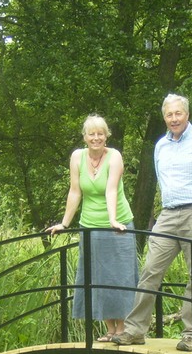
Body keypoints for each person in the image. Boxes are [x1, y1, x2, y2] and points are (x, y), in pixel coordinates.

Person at [112, 94, 192, 351]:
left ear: (187, 114)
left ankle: (191, 335)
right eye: (169, 115)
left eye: (178, 113)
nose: (174, 119)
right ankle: (134, 330)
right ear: (164, 117)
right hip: (168, 214)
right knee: (150, 271)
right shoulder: (160, 146)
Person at [47, 115, 138, 341]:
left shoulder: (114, 156)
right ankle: (110, 330)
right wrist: (64, 223)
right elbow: (75, 191)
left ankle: (124, 329)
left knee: (121, 277)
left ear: (106, 135)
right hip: (90, 225)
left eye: (100, 134)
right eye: (91, 134)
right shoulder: (77, 157)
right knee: (98, 277)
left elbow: (111, 189)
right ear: (85, 137)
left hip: (118, 225)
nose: (96, 138)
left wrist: (113, 220)